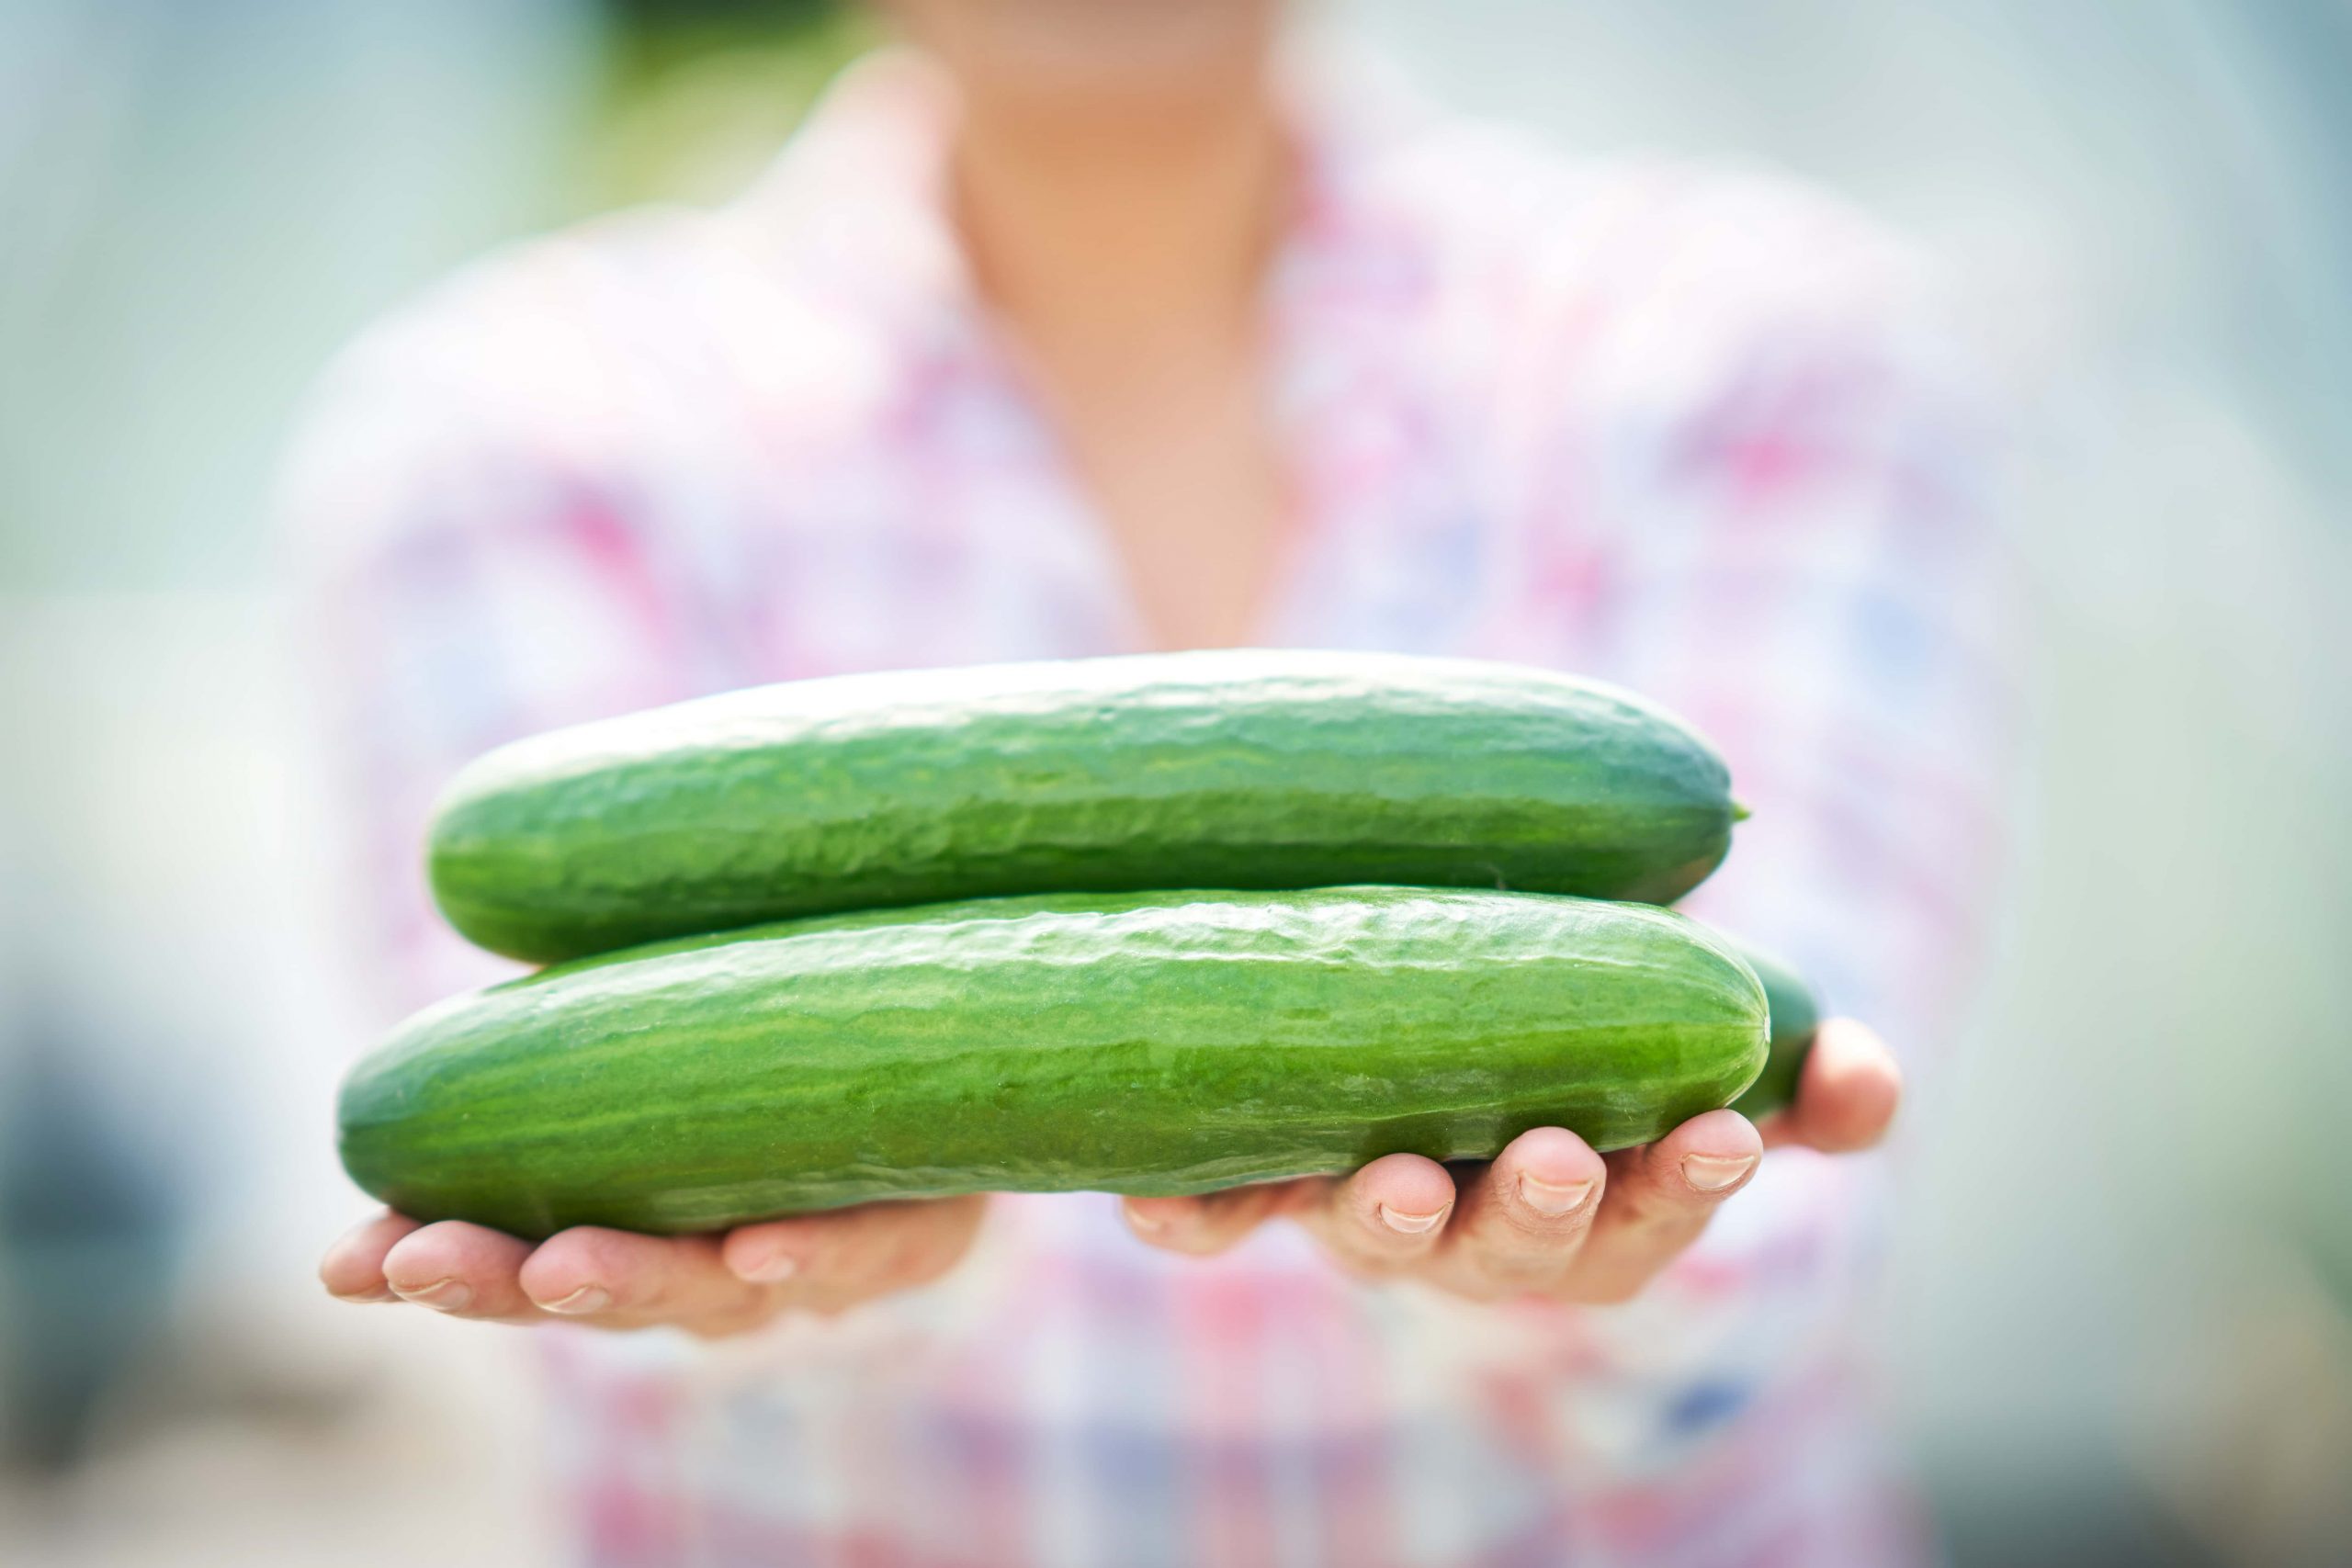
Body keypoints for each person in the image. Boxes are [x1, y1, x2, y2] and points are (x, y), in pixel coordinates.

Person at [290, 1, 2013, 1562]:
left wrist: (1618, 1273)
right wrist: (809, 1286)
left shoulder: (1755, 346)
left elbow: (1784, 1225)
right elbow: (567, 1217)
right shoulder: (511, 428)